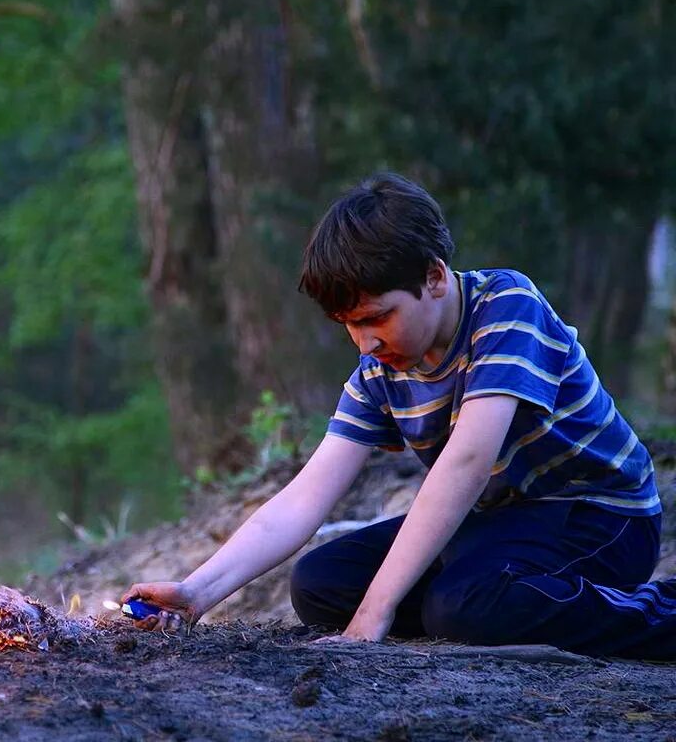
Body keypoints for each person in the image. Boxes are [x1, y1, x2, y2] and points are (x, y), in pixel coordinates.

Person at [122, 172, 675, 659]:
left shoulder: (508, 308)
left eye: (377, 317)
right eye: (350, 324)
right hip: (499, 523)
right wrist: (196, 592)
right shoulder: (380, 371)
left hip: (601, 517)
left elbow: (465, 463)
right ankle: (472, 606)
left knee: (464, 606)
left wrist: (373, 617)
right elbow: (304, 497)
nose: (365, 342)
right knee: (321, 584)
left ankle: (659, 614)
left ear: (434, 277)